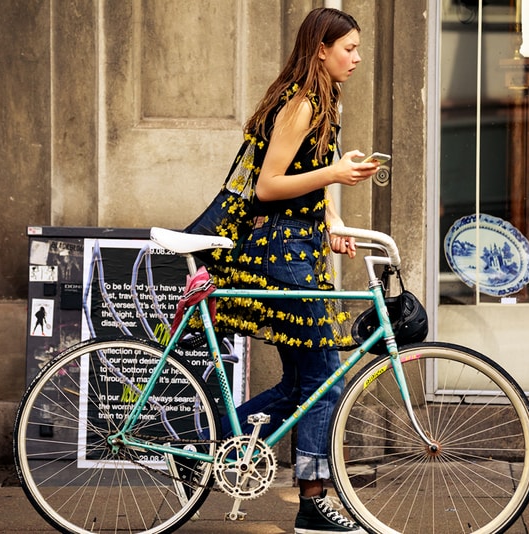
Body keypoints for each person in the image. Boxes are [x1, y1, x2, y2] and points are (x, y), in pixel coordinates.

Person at [187, 7, 379, 533]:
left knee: (304, 383)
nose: (357, 58)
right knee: (325, 383)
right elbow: (269, 186)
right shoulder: (302, 103)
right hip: (281, 256)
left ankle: (201, 448)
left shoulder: (325, 101)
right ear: (321, 48)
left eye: (358, 49)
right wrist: (336, 171)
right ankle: (313, 501)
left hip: (300, 251)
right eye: (349, 48)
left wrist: (335, 219)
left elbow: (308, 183)